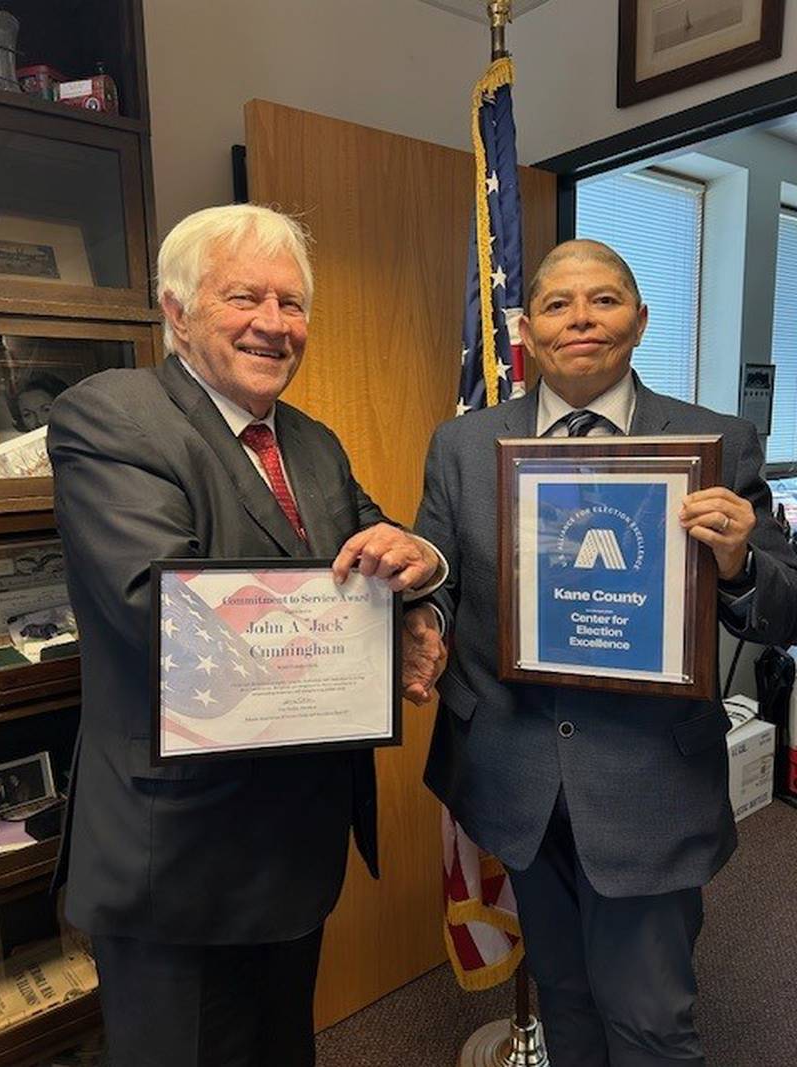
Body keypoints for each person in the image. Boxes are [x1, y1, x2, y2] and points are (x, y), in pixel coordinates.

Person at [47, 203, 444, 1067]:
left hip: (294, 850)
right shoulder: (109, 416)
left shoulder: (311, 439)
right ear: (177, 309)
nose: (274, 323)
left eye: (292, 302)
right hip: (179, 855)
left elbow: (374, 543)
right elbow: (167, 617)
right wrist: (357, 641)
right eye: (244, 298)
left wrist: (418, 587)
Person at [404, 239, 797, 1067]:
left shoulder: (713, 440)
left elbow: (783, 606)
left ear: (641, 319)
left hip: (647, 785)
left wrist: (737, 562)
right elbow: (438, 571)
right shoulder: (464, 444)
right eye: (556, 303)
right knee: (566, 1002)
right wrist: (426, 621)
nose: (580, 319)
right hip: (513, 775)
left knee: (651, 1024)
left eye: (605, 300)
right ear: (527, 327)